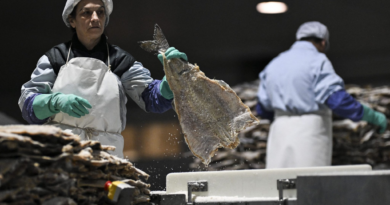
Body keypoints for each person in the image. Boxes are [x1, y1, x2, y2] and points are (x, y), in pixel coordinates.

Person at [18, 0, 188, 158]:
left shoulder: (120, 60)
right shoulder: (55, 58)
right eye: (86, 13)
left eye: (100, 12)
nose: (95, 18)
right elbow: (28, 106)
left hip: (107, 156)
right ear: (72, 20)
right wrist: (54, 102)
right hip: (62, 156)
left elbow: (151, 99)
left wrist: (169, 84)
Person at [256, 21, 387, 169]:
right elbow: (336, 101)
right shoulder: (317, 61)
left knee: (277, 185)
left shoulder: (274, 64)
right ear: (323, 43)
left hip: (279, 131)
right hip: (309, 131)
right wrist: (369, 115)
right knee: (309, 186)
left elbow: (262, 108)